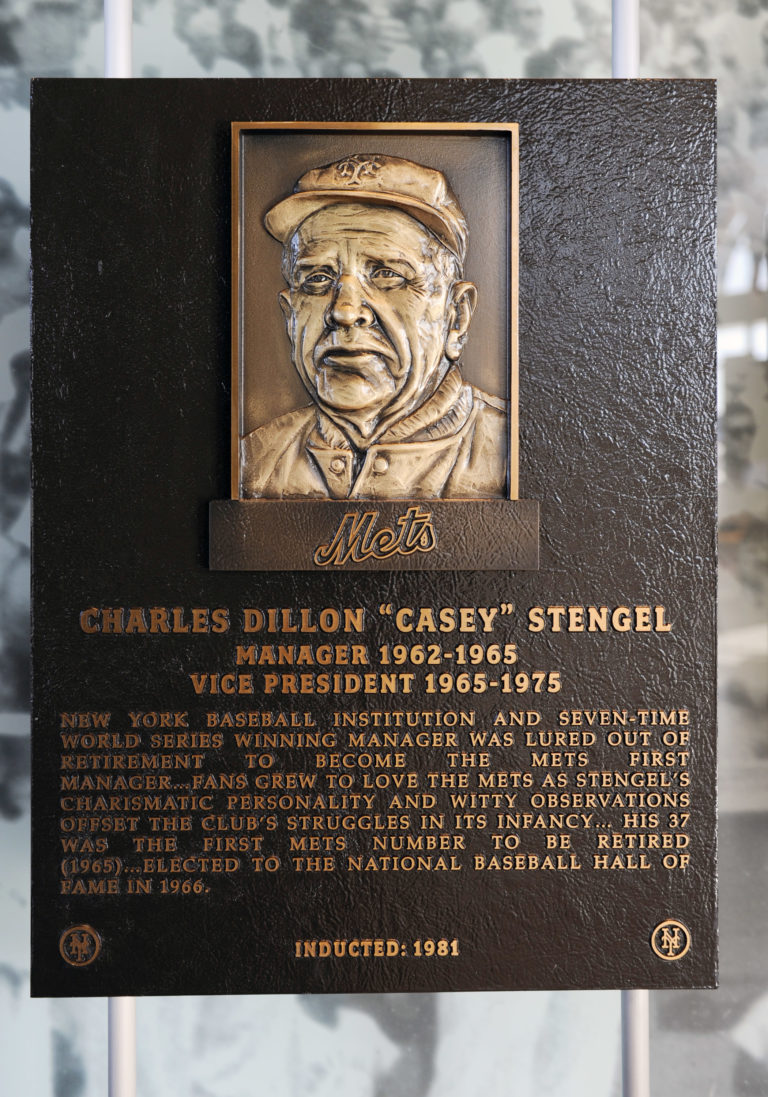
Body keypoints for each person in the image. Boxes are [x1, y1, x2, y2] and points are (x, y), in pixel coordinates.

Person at [240, 153, 508, 500]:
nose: (345, 311)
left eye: (387, 274)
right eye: (318, 279)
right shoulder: (254, 463)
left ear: (456, 317)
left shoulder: (513, 453)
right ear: (291, 318)